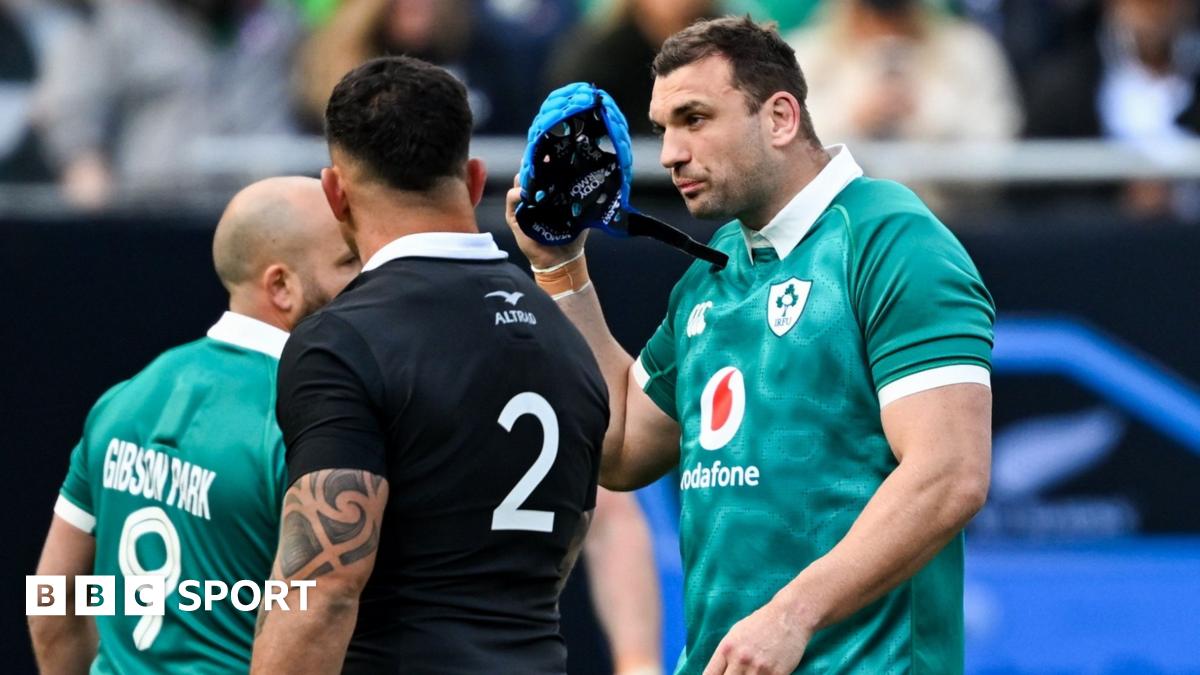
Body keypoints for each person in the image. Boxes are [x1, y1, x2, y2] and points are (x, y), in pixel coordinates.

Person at [506, 15, 995, 674]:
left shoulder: (893, 240)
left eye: (696, 118)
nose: (672, 152)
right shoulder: (714, 270)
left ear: (781, 118)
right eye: (663, 129)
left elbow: (950, 474)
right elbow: (619, 445)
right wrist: (561, 270)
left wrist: (794, 613)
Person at [251, 56, 610, 674]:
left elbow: (321, 590)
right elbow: (559, 553)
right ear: (474, 179)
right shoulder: (567, 340)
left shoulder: (339, 341)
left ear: (335, 192)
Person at [27, 176, 361, 674]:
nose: (369, 279)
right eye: (349, 261)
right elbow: (321, 616)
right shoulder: (311, 422)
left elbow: (54, 602)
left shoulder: (124, 398)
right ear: (282, 286)